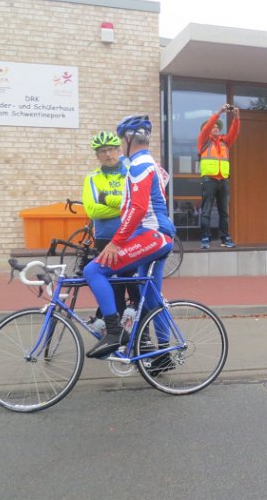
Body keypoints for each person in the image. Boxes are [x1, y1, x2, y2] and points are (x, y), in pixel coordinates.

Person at [83, 115, 176, 360]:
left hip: (152, 235)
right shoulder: (148, 163)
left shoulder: (138, 165)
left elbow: (138, 209)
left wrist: (116, 242)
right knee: (152, 298)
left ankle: (114, 332)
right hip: (157, 235)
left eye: (119, 141)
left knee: (93, 271)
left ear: (127, 138)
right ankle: (163, 356)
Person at [81, 131, 139, 318]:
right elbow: (93, 210)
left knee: (136, 287)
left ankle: (142, 332)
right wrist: (126, 207)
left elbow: (139, 204)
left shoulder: (132, 174)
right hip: (105, 240)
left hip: (132, 238)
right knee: (114, 290)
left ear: (119, 150)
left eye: (111, 149)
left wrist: (106, 199)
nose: (107, 154)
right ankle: (117, 330)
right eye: (102, 151)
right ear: (97, 155)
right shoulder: (92, 178)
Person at [197, 103, 240, 249]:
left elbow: (234, 132)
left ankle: (225, 238)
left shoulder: (225, 142)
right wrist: (219, 112)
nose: (215, 128)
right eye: (213, 126)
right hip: (209, 180)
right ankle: (205, 238)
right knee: (206, 211)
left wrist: (237, 117)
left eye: (217, 127)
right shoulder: (203, 141)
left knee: (224, 212)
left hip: (223, 180)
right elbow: (207, 127)